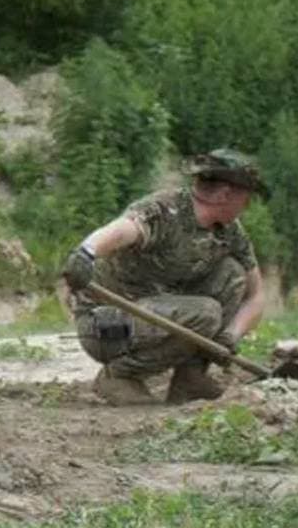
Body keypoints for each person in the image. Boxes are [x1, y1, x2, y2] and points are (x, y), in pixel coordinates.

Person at [60, 149, 270, 406]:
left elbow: (256, 295)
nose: (246, 206)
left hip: (160, 312)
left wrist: (230, 337)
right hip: (106, 327)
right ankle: (120, 375)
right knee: (205, 313)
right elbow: (123, 229)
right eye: (245, 198)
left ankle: (190, 379)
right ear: (226, 194)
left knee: (232, 273)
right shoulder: (163, 211)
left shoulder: (229, 233)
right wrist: (86, 253)